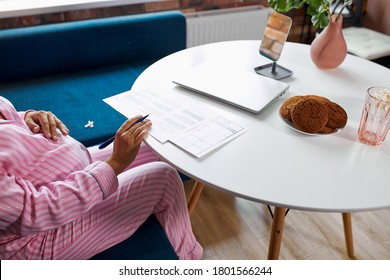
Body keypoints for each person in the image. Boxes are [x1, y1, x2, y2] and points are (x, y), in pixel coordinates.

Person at [0, 96, 202, 260]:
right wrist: (115, 164)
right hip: (33, 240)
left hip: (62, 176)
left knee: (153, 147)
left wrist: (27, 117)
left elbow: (9, 121)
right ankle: (188, 258)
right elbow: (35, 212)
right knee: (163, 177)